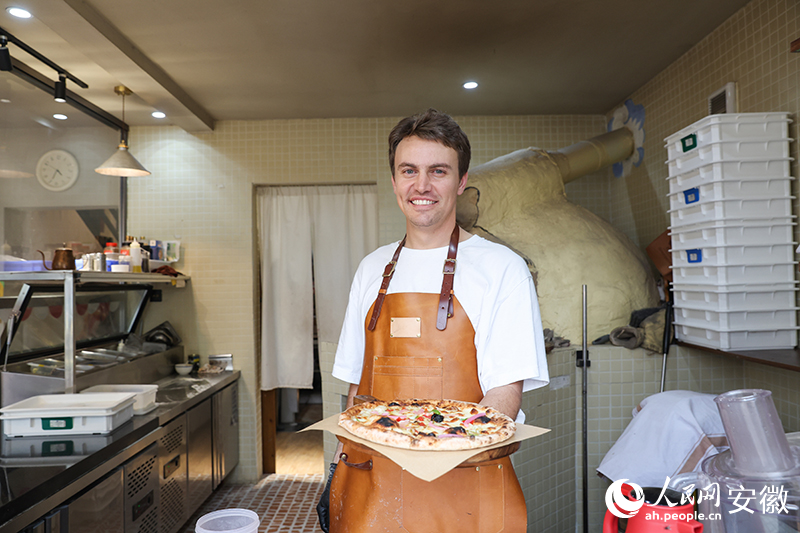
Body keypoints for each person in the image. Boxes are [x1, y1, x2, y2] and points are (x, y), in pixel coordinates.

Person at [317, 108, 549, 532]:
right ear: (394, 180)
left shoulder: (502, 268)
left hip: (463, 488)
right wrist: (337, 467)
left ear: (461, 181)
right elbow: (357, 389)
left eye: (438, 171)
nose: (421, 185)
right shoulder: (372, 268)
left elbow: (505, 393)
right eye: (409, 170)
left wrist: (437, 444)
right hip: (373, 483)